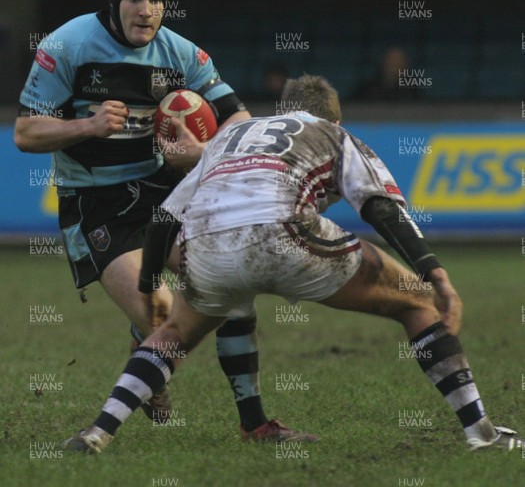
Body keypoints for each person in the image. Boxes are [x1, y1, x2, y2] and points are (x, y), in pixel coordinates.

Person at [62, 73, 523, 453]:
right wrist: (433, 273)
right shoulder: (334, 133)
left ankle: (98, 431)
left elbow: (163, 220)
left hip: (206, 245)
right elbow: (381, 208)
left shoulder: (231, 137)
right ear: (334, 115)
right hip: (283, 233)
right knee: (417, 303)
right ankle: (480, 433)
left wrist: (147, 284)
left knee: (175, 333)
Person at [14, 0, 315, 442]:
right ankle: (147, 344)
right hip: (96, 202)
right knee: (161, 315)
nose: (146, 11)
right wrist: (86, 125)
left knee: (232, 290)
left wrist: (203, 152)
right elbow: (25, 132)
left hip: (164, 194)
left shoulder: (182, 55)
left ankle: (255, 425)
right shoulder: (65, 45)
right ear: (115, 3)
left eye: (156, 0)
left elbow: (238, 118)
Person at [353, 46, 420, 101]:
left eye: (398, 64)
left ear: (405, 66)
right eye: (391, 62)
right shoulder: (370, 88)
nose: (394, 67)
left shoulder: (411, 91)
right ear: (384, 63)